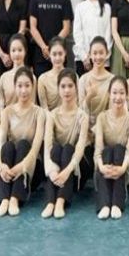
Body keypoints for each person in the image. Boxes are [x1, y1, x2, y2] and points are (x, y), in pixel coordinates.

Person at [0, 67, 45, 217]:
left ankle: (15, 199)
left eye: (27, 85)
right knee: (8, 146)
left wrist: (22, 166)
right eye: (20, 86)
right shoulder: (7, 111)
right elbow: (0, 140)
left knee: (23, 144)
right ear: (15, 87)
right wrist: (0, 164)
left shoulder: (39, 113)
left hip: (31, 166)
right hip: (10, 166)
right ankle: (4, 199)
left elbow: (35, 148)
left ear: (33, 86)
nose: (23, 90)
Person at [42, 69, 89, 219]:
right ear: (58, 89)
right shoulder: (52, 115)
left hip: (75, 169)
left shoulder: (83, 116)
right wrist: (51, 171)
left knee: (69, 148)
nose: (66, 90)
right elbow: (47, 147)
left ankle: (60, 201)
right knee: (56, 149)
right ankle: (51, 202)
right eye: (63, 86)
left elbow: (80, 148)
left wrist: (67, 171)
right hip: (57, 167)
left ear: (76, 88)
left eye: (70, 86)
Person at [93, 77, 129, 220]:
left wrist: (122, 168)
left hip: (123, 166)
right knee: (107, 150)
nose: (118, 97)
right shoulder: (101, 117)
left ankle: (117, 204)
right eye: (114, 93)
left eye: (121, 93)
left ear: (127, 95)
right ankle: (105, 204)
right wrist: (101, 167)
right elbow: (98, 149)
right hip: (105, 166)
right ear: (109, 94)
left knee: (119, 149)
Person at [78, 37, 115, 185]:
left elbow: (112, 112)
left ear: (107, 54)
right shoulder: (83, 79)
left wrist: (97, 130)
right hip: (86, 133)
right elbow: (79, 111)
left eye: (101, 53)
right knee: (85, 168)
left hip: (105, 132)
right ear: (90, 55)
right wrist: (89, 97)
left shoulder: (112, 80)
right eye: (95, 53)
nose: (98, 57)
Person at [28, 0, 73, 77]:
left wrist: (54, 47)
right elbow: (33, 27)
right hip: (40, 54)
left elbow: (66, 27)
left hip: (59, 54)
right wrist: (44, 47)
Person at [73, 0, 112, 75]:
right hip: (84, 59)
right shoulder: (80, 7)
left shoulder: (106, 8)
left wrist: (103, 55)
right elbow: (77, 34)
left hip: (102, 59)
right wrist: (84, 57)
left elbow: (108, 33)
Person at [0, 34, 29, 109]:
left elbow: (33, 103)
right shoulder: (4, 77)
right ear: (9, 52)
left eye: (20, 50)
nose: (17, 54)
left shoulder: (31, 77)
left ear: (25, 51)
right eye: (13, 50)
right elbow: (1, 102)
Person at [36, 36, 67, 111]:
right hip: (50, 117)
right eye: (54, 54)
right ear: (49, 54)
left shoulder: (73, 76)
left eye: (60, 54)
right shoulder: (42, 79)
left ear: (65, 53)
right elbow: (44, 108)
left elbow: (76, 104)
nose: (57, 58)